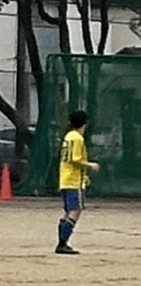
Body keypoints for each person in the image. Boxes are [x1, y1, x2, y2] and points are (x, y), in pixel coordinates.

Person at [55, 108, 98, 255]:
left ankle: (62, 241)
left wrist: (84, 175)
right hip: (73, 180)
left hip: (65, 178)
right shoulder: (77, 138)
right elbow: (75, 159)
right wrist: (90, 165)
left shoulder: (69, 136)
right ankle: (62, 243)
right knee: (75, 210)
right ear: (85, 123)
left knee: (69, 211)